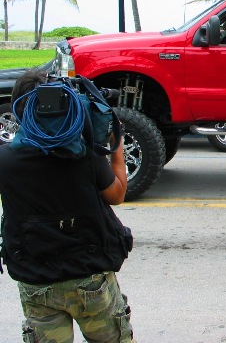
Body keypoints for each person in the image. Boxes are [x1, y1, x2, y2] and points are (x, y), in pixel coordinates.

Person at [0, 69, 135, 343]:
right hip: (88, 278)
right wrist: (115, 147)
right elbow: (117, 194)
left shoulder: (5, 159)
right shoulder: (84, 154)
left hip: (35, 278)